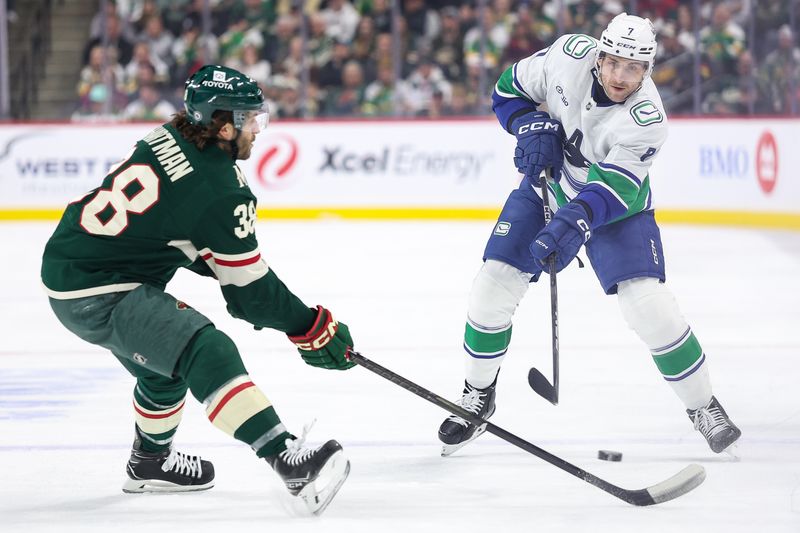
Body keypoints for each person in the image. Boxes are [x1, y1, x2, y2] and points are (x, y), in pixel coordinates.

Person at [42, 65, 353, 515]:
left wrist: (223, 262)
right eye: (250, 121)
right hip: (99, 287)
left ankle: (150, 461)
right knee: (204, 348)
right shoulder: (220, 189)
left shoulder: (171, 133)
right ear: (223, 124)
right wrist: (307, 325)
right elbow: (250, 295)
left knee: (163, 368)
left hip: (72, 266)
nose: (256, 131)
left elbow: (174, 231)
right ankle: (286, 458)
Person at [437, 14, 741, 457]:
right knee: (492, 287)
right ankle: (478, 396)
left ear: (648, 71)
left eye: (634, 68)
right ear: (598, 55)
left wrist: (572, 223)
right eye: (614, 62)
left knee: (649, 308)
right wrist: (527, 124)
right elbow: (506, 89)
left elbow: (612, 191)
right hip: (549, 186)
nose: (621, 77)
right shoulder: (566, 56)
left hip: (617, 212)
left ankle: (703, 406)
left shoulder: (647, 119)